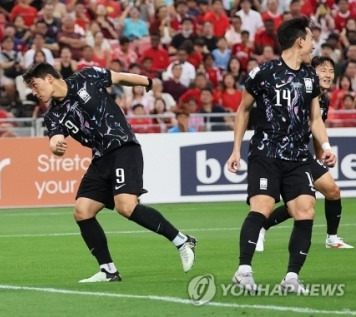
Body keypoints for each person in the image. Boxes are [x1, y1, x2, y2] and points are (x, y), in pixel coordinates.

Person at [23, 62, 197, 283]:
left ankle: (182, 241)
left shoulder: (86, 77)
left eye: (35, 85)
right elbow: (56, 139)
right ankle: (108, 271)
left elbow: (118, 77)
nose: (34, 92)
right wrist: (55, 147)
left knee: (126, 207)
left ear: (49, 78)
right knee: (82, 211)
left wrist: (147, 82)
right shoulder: (53, 115)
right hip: (100, 158)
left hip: (123, 147)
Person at [226, 17, 337, 294]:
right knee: (262, 207)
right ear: (300, 41)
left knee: (305, 210)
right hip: (266, 153)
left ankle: (291, 278)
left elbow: (315, 118)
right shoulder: (263, 73)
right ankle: (243, 270)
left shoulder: (310, 77)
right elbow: (243, 110)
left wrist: (325, 146)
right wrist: (236, 149)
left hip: (298, 157)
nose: (313, 45)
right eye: (311, 39)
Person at [257, 56, 353, 251]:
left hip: (303, 155)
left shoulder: (323, 101)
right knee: (301, 204)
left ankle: (332, 238)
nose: (328, 74)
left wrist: (322, 156)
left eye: (331, 71)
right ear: (311, 73)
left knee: (331, 192)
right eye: (323, 70)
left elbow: (317, 130)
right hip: (281, 153)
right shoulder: (299, 92)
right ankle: (261, 226)